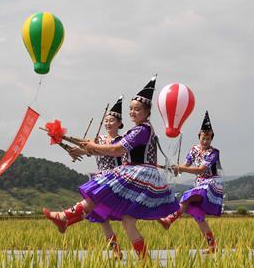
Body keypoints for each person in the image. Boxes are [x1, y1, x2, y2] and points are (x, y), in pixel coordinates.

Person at [43, 76, 179, 258]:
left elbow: (117, 150)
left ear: (147, 112)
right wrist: (84, 150)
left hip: (138, 172)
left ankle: (65, 217)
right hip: (137, 171)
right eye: (131, 109)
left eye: (137, 109)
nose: (132, 112)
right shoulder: (139, 129)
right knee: (128, 221)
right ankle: (145, 262)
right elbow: (109, 151)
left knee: (99, 191)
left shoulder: (141, 130)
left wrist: (93, 147)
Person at [157, 111, 224, 254]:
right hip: (200, 184)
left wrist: (181, 168)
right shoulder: (194, 149)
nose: (205, 141)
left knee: (188, 196)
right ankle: (212, 246)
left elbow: (200, 170)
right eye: (203, 138)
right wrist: (175, 168)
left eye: (208, 138)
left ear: (211, 139)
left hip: (211, 183)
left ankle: (170, 219)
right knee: (199, 217)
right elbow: (186, 166)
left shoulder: (214, 152)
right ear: (199, 137)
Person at [67, 97, 125, 258]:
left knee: (127, 218)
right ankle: (116, 250)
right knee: (101, 217)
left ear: (119, 123)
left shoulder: (121, 141)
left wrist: (88, 149)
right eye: (106, 120)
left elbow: (99, 151)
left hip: (114, 180)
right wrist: (76, 150)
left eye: (112, 120)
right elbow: (88, 149)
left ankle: (68, 217)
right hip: (100, 179)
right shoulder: (98, 139)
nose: (108, 123)